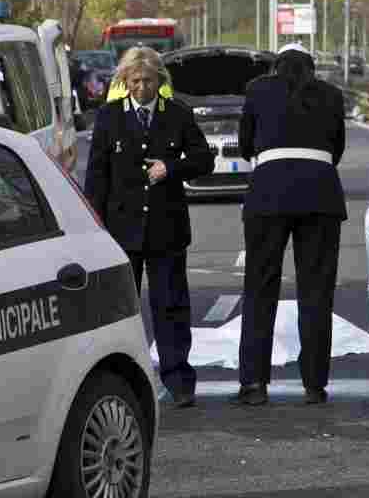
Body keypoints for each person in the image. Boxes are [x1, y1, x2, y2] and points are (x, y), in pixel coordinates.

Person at [84, 46, 214, 408]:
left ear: (160, 81)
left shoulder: (177, 114)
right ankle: (122, 383)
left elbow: (204, 160)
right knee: (119, 311)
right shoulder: (109, 117)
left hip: (166, 229)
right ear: (124, 82)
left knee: (170, 307)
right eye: (136, 81)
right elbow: (96, 177)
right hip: (121, 231)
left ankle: (179, 382)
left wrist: (171, 168)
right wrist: (93, 231)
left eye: (149, 81)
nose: (142, 87)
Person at [234, 42, 347, 406]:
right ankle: (314, 383)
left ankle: (254, 383)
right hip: (320, 193)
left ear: (277, 66)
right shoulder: (331, 94)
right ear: (311, 67)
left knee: (259, 288)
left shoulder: (257, 89)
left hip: (268, 194)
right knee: (316, 292)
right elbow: (337, 148)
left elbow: (245, 144)